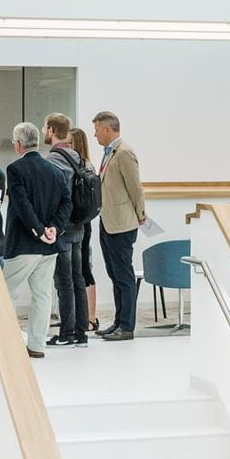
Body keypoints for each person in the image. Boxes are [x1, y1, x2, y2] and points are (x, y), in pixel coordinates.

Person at [1, 123, 71, 359]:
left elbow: (21, 204)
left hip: (23, 244)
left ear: (18, 144)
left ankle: (6, 344)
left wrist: (38, 229)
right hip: (49, 245)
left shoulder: (15, 169)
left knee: (5, 292)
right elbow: (66, 203)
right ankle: (37, 345)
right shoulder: (54, 170)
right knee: (42, 295)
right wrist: (54, 229)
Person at [93, 111, 145, 342]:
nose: (94, 134)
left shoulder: (124, 153)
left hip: (122, 224)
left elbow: (136, 187)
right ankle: (118, 321)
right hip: (108, 220)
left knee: (124, 275)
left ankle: (127, 326)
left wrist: (141, 214)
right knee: (114, 274)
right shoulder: (108, 153)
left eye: (97, 129)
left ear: (106, 129)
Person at [43, 114, 89, 347]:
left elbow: (52, 198)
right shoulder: (78, 158)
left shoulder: (52, 160)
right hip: (79, 226)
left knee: (64, 282)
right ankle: (81, 332)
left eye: (45, 127)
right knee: (77, 279)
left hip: (61, 228)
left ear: (51, 130)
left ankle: (67, 332)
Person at [70, 127, 100, 333]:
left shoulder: (83, 167)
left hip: (82, 222)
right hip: (80, 221)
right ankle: (81, 316)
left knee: (84, 269)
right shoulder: (83, 165)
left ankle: (90, 317)